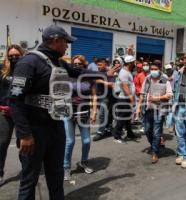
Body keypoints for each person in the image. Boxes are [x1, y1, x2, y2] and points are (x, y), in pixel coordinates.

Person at [9, 25, 117, 200]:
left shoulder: (58, 63)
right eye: (65, 42)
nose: (67, 46)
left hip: (56, 127)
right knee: (29, 180)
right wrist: (24, 134)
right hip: (35, 131)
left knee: (56, 175)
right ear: (55, 40)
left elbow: (79, 71)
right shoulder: (29, 62)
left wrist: (104, 75)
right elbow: (14, 100)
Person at [63, 55, 97, 181]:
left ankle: (84, 162)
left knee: (87, 141)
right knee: (70, 141)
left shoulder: (89, 78)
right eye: (74, 64)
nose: (77, 66)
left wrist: (94, 112)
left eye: (79, 64)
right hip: (68, 112)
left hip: (84, 112)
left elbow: (94, 96)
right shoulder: (67, 77)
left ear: (84, 65)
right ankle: (66, 167)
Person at [136, 60, 172, 163]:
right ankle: (154, 146)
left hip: (159, 111)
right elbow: (142, 94)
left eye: (155, 69)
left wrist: (156, 98)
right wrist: (138, 108)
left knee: (157, 133)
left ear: (160, 69)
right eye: (151, 69)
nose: (153, 71)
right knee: (147, 130)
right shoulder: (147, 79)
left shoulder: (165, 80)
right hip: (148, 109)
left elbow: (169, 95)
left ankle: (155, 152)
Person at [0, 44, 24, 186]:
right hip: (5, 112)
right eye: (11, 56)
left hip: (22, 112)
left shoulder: (27, 70)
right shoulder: (3, 70)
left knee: (22, 143)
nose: (14, 58)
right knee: (2, 143)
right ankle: (0, 172)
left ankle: (27, 170)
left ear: (22, 55)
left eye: (17, 55)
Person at [112, 55, 138, 144]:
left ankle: (130, 133)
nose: (135, 63)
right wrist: (131, 98)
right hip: (124, 99)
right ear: (130, 63)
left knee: (127, 118)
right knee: (122, 118)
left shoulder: (127, 71)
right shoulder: (124, 72)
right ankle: (117, 136)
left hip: (126, 98)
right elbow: (125, 86)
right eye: (133, 62)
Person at [93, 58, 119, 141]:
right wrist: (106, 82)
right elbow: (96, 79)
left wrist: (111, 82)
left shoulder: (111, 73)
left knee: (102, 115)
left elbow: (114, 83)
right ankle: (107, 129)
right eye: (97, 64)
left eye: (100, 64)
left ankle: (100, 132)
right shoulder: (100, 73)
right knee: (105, 115)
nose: (98, 66)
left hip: (107, 97)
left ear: (105, 65)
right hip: (99, 97)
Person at [164, 63, 178, 132]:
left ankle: (172, 125)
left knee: (174, 110)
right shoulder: (165, 75)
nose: (168, 71)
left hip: (175, 94)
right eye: (167, 70)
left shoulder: (176, 74)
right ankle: (169, 124)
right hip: (167, 94)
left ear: (172, 68)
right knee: (169, 110)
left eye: (169, 69)